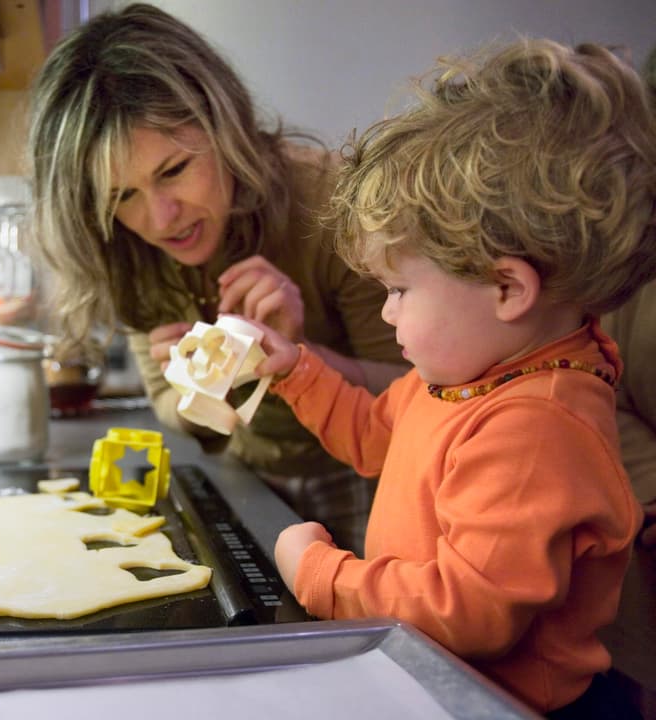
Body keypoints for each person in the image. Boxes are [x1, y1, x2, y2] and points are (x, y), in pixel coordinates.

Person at [251, 39, 655, 718]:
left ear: (506, 287)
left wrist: (322, 577)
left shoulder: (534, 429)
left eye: (399, 289)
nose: (386, 311)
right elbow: (377, 439)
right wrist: (297, 370)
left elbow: (467, 613)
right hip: (444, 677)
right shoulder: (468, 375)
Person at [26, 2, 407, 553]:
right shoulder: (122, 245)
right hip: (246, 473)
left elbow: (426, 400)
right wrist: (199, 390)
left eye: (174, 171)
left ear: (223, 124)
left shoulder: (334, 206)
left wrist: (296, 359)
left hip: (374, 475)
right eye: (122, 196)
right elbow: (170, 405)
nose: (160, 219)